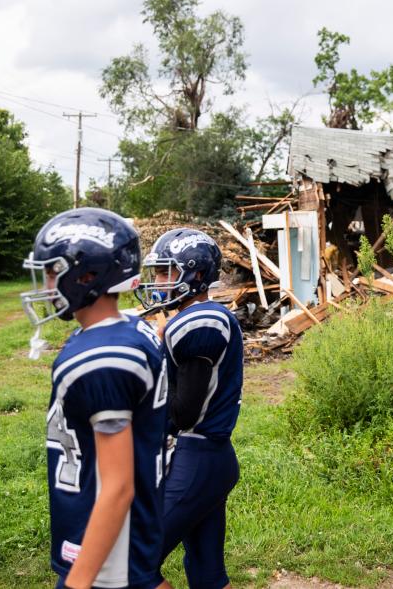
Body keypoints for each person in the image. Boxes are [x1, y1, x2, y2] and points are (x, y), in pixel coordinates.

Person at [20, 208, 171, 589]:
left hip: (107, 551)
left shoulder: (102, 360)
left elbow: (118, 486)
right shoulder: (130, 328)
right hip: (125, 533)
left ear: (87, 276)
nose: (48, 282)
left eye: (54, 271)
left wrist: (78, 582)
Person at [137, 228, 243, 589]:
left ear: (196, 275)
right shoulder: (188, 316)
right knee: (207, 575)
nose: (158, 281)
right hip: (209, 458)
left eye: (167, 272)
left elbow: (183, 412)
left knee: (132, 564)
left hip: (197, 457)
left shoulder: (200, 321)